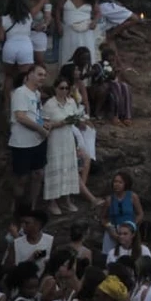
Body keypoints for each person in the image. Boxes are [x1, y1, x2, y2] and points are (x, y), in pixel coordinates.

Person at [42, 74, 85, 214]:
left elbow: (75, 119)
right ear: (55, 88)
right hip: (55, 140)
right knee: (55, 167)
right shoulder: (49, 104)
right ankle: (52, 202)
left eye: (67, 88)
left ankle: (66, 200)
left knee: (68, 167)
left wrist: (75, 120)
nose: (64, 90)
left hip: (68, 138)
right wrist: (59, 123)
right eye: (61, 88)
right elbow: (43, 124)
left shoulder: (72, 102)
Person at [9, 64, 50, 208]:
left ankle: (31, 207)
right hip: (22, 143)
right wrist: (40, 129)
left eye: (44, 75)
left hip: (38, 141)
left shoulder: (36, 94)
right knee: (21, 178)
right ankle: (15, 209)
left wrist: (44, 123)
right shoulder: (21, 93)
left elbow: (35, 114)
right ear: (30, 75)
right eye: (40, 74)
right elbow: (20, 116)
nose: (43, 78)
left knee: (38, 173)